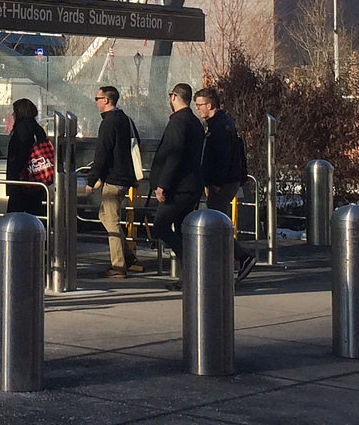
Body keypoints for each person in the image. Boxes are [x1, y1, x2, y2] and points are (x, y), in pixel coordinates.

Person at [0, 97, 50, 268]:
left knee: (10, 221)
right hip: (36, 184)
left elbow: (18, 158)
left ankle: (3, 256)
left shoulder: (22, 130)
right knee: (33, 222)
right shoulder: (37, 129)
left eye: (14, 111)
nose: (12, 114)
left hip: (21, 183)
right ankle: (33, 257)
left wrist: (13, 178)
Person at [193, 87, 253, 278]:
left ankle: (240, 257)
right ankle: (227, 261)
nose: (198, 109)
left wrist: (215, 181)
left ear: (209, 105)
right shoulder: (224, 122)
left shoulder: (218, 126)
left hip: (222, 182)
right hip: (229, 180)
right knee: (219, 221)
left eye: (200, 105)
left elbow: (221, 156)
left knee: (217, 223)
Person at [149, 83, 206, 267]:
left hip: (178, 187)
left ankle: (190, 263)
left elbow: (174, 155)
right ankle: (190, 273)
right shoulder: (194, 122)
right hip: (191, 185)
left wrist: (162, 185)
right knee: (182, 228)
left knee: (161, 226)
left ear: (174, 97)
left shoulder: (178, 122)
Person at [90, 84, 143, 277]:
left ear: (106, 100)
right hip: (126, 177)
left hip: (114, 179)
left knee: (111, 221)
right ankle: (127, 255)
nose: (96, 102)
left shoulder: (109, 123)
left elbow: (102, 152)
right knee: (105, 216)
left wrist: (92, 179)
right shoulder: (126, 120)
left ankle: (118, 266)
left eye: (97, 99)